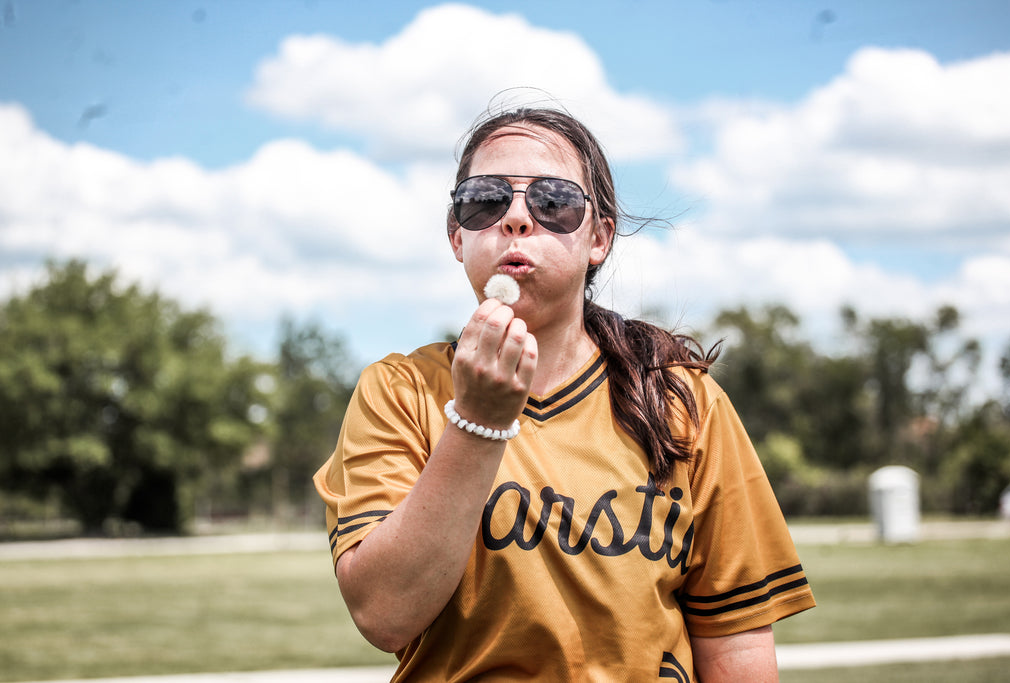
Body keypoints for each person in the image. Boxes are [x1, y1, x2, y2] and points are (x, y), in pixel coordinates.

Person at [313, 103, 815, 682]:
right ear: (457, 236)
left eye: (554, 201)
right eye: (485, 200)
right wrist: (477, 422)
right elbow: (384, 614)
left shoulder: (680, 399)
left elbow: (737, 644)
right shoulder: (399, 390)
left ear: (599, 237)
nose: (518, 219)